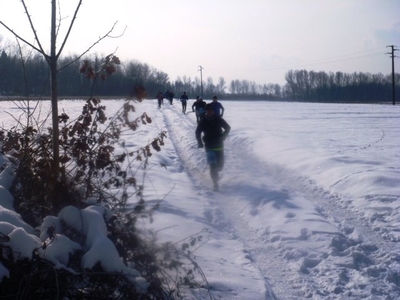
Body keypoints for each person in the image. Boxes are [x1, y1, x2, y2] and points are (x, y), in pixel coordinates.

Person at [195, 103, 231, 191]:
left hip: (219, 145)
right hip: (209, 145)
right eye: (208, 111)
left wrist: (223, 136)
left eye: (211, 110)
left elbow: (227, 127)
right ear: (206, 112)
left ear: (213, 111)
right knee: (212, 165)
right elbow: (197, 132)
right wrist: (200, 142)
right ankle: (215, 183)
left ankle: (215, 174)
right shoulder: (203, 121)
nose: (210, 112)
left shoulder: (218, 119)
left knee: (220, 166)